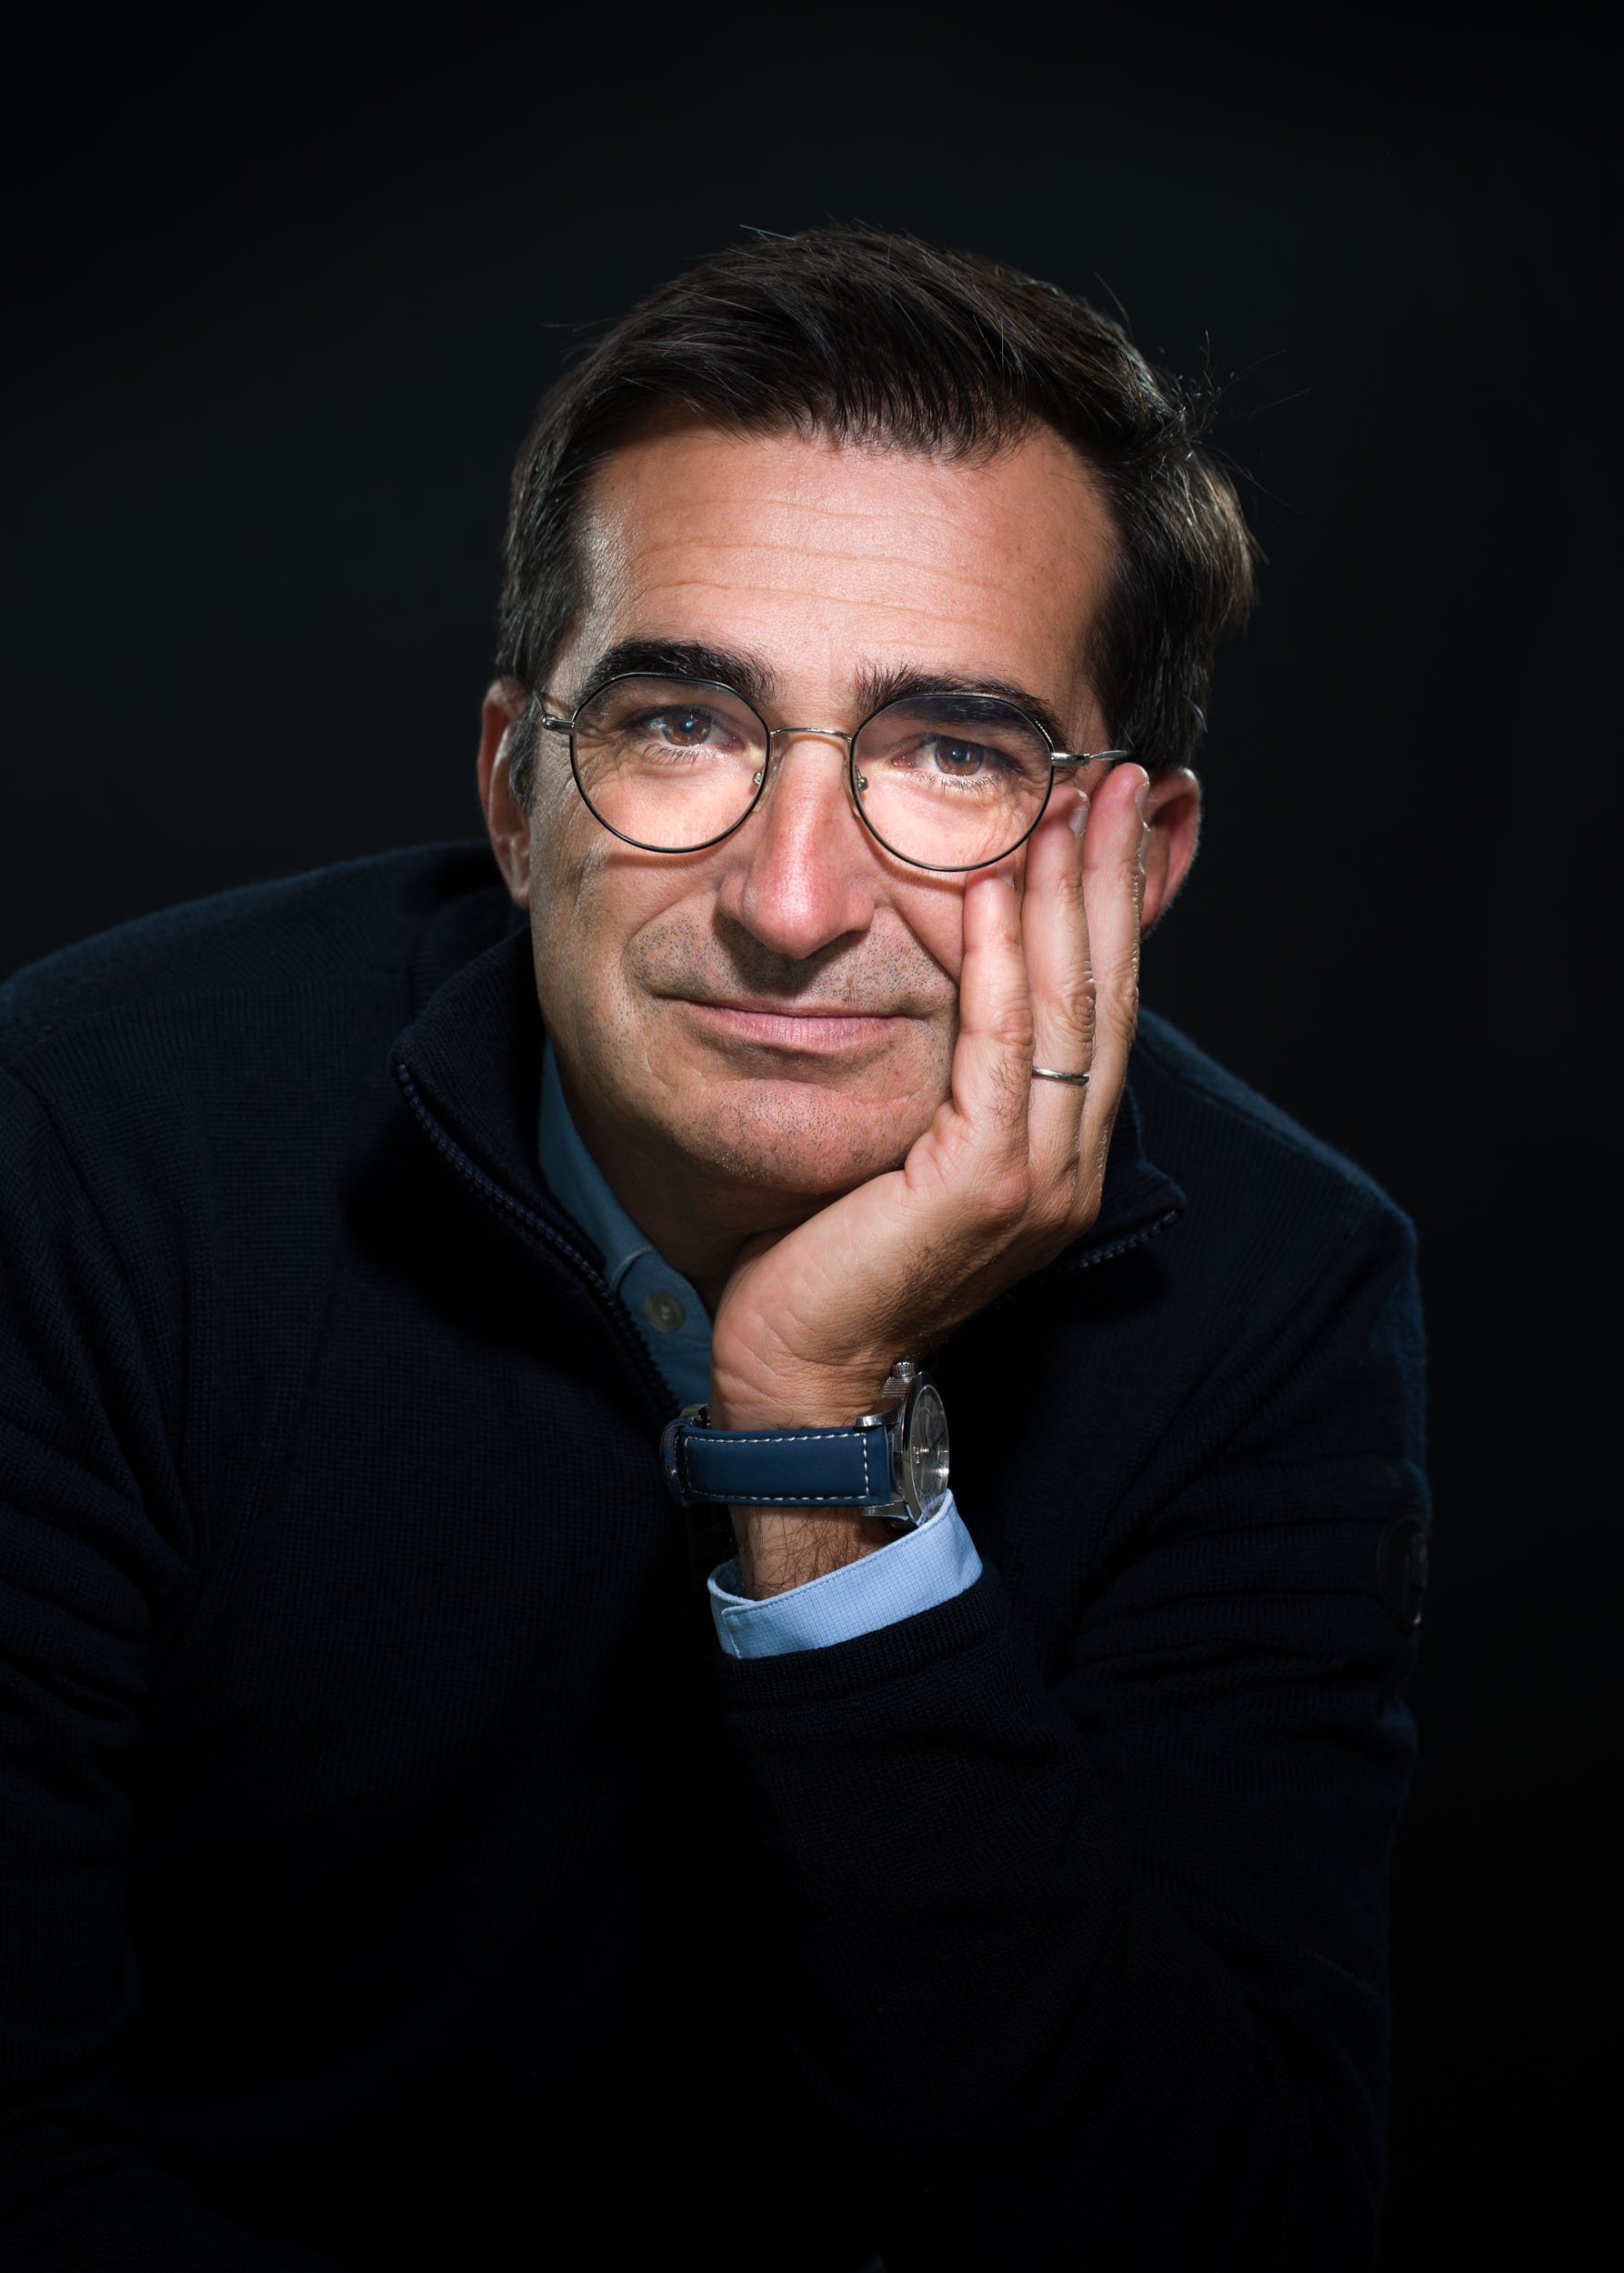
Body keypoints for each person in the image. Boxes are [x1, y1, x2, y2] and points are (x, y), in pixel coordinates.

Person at [0, 228, 1430, 2273]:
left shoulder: (1279, 1293)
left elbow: (1208, 2225)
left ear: (1138, 858)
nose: (785, 896)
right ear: (516, 795)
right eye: (682, 720)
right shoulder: (91, 1135)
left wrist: (817, 1444)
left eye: (953, 753)